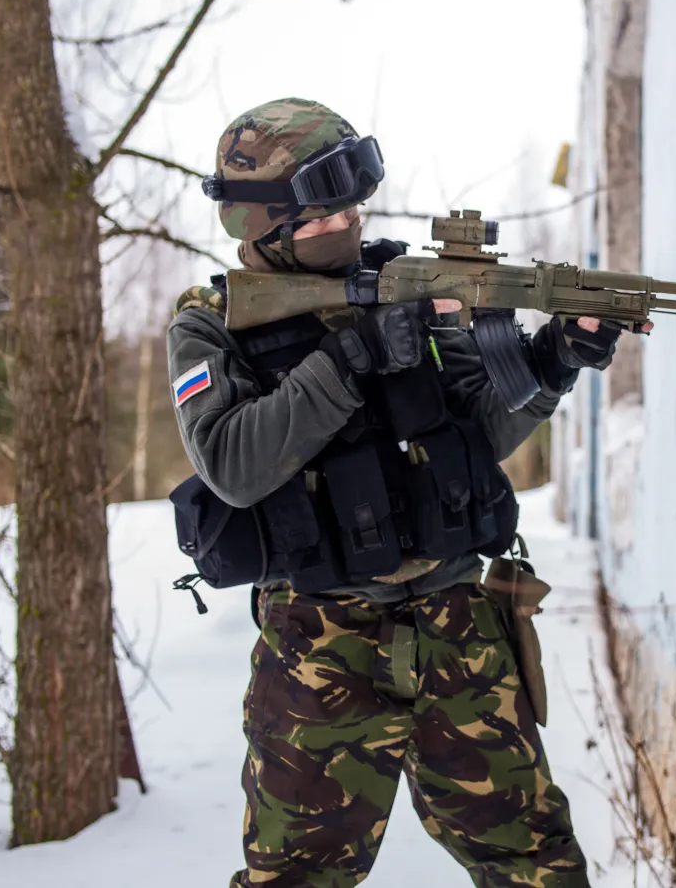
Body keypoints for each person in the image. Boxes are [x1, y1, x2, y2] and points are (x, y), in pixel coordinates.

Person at [167, 97, 628, 888]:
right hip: (322, 646)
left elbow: (480, 432)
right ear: (262, 222)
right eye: (324, 214)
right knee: (295, 877)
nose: (347, 224)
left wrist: (552, 363)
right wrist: (352, 359)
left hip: (459, 625)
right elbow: (233, 464)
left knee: (536, 862)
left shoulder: (406, 285)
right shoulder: (210, 325)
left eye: (355, 207)